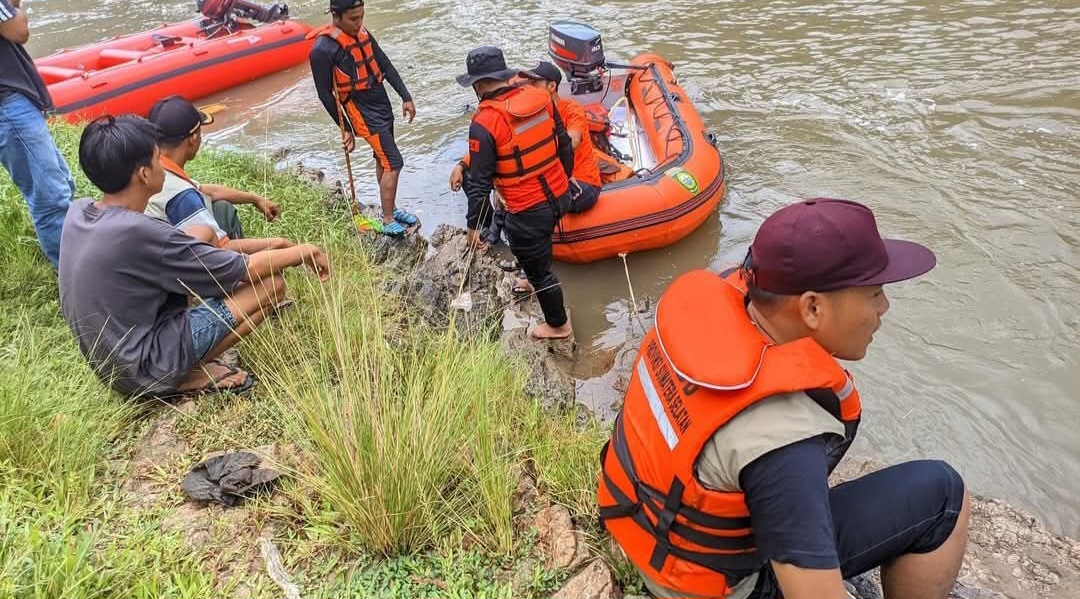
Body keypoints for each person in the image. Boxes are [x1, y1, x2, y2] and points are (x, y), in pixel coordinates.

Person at [598, 198, 970, 599]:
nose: (885, 307)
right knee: (944, 493)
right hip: (713, 586)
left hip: (646, 533)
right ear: (811, 307)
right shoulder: (782, 438)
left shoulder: (710, 323)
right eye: (875, 293)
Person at [58, 115, 331, 398]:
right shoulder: (138, 233)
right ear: (143, 174)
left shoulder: (80, 211)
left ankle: (177, 365)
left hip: (112, 364)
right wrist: (303, 251)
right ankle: (184, 376)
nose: (163, 164)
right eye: (156, 158)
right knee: (271, 286)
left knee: (200, 231)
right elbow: (246, 269)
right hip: (142, 371)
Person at [456, 46, 575, 340]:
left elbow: (479, 182)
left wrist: (475, 227)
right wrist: (564, 179)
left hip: (527, 208)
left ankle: (559, 325)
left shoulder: (484, 123)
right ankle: (533, 280)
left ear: (478, 84)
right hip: (559, 193)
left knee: (539, 270)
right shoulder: (542, 100)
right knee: (539, 251)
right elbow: (563, 145)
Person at [308, 0, 418, 237]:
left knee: (383, 157)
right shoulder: (322, 50)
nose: (359, 23)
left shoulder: (362, 33)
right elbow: (325, 95)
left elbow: (385, 65)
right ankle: (388, 218)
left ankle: (392, 208)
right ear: (336, 16)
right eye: (353, 19)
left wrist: (405, 96)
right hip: (361, 110)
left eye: (361, 16)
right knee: (393, 161)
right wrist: (345, 128)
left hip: (380, 101)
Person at [147, 95, 290, 253]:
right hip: (183, 265)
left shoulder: (153, 168)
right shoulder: (181, 195)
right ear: (193, 138)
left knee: (222, 208)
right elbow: (221, 248)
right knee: (265, 263)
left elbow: (211, 191)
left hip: (158, 252)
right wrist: (281, 244)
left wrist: (255, 199)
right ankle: (244, 275)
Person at [0, 0, 75, 268]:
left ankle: (79, 262)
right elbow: (18, 30)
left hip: (12, 103)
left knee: (62, 184)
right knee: (51, 198)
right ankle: (73, 278)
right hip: (7, 106)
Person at [519, 61, 602, 214]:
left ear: (551, 86)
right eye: (527, 83)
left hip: (582, 182)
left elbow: (572, 143)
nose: (528, 89)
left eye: (534, 83)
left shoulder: (571, 109)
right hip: (553, 181)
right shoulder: (531, 115)